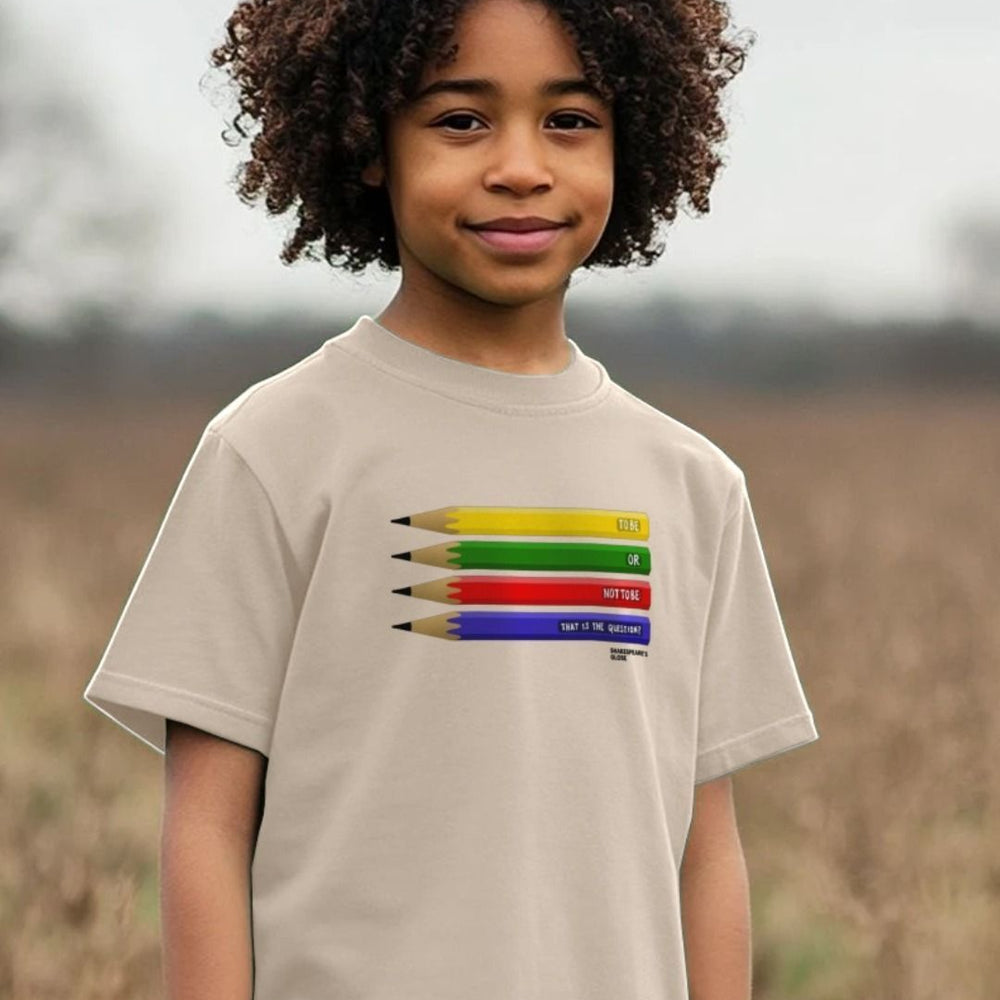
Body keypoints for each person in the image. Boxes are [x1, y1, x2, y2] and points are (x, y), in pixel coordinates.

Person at [82, 0, 819, 997]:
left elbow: (705, 847)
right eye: (460, 119)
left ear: (634, 140)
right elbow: (207, 828)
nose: (521, 165)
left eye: (569, 120)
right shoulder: (271, 451)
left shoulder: (693, 485)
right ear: (369, 144)